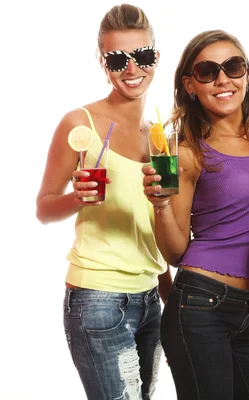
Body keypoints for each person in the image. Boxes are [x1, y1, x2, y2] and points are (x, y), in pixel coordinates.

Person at [35, 4, 171, 400]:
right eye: (117, 59)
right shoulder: (80, 124)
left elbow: (150, 229)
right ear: (102, 62)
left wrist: (168, 292)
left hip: (150, 296)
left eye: (142, 56)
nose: (132, 69)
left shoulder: (160, 135)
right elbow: (43, 207)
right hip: (98, 298)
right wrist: (76, 199)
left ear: (156, 57)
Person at [142, 30, 249, 399]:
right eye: (208, 71)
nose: (223, 79)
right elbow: (175, 252)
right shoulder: (189, 152)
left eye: (233, 67)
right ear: (191, 85)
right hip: (201, 307)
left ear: (246, 75)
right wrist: (160, 205)